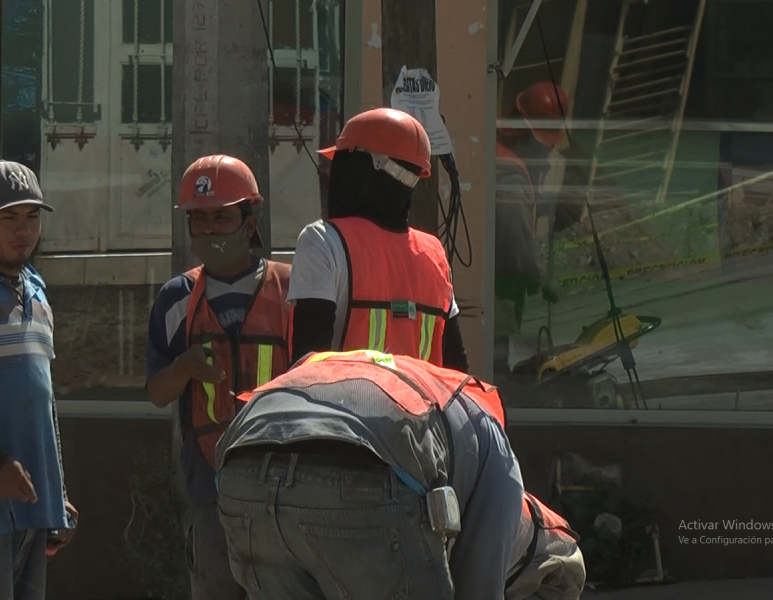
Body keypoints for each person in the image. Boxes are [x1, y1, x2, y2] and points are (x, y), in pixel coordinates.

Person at [214, 349, 525, 599]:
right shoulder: (493, 440)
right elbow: (480, 581)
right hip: (360, 475)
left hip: (242, 470)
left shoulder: (358, 366)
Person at [145, 154, 291, 600]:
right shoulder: (177, 298)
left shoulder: (292, 289)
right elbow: (156, 393)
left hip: (282, 481)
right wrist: (184, 368)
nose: (208, 230)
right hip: (208, 481)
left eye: (221, 218)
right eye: (199, 219)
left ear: (249, 223)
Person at [287, 107, 469, 372]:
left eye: (340, 161)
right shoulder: (434, 255)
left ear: (360, 167)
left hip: (345, 411)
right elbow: (458, 371)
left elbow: (306, 370)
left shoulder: (322, 242)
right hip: (423, 412)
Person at [0, 160, 78, 600]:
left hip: (33, 511)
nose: (24, 230)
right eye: (8, 218)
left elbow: (43, 400)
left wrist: (59, 493)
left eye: (32, 216)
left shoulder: (35, 286)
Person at [495, 82, 569, 371]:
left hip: (492, 288)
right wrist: (538, 278)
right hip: (498, 295)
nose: (548, 158)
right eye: (545, 147)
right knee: (495, 365)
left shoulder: (499, 154)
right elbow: (515, 246)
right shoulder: (510, 172)